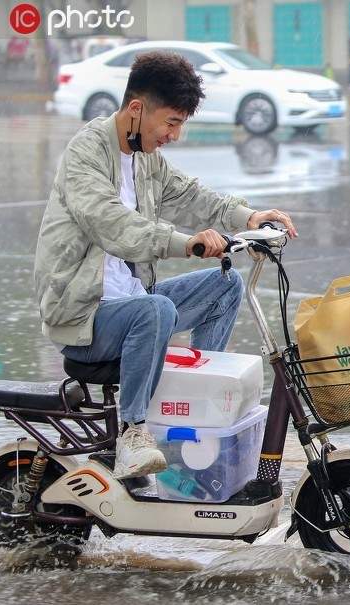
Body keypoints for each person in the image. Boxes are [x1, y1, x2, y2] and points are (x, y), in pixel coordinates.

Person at [33, 52, 298, 479]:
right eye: (171, 123)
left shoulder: (144, 158)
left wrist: (248, 218)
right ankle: (133, 433)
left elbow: (190, 195)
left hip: (131, 303)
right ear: (136, 109)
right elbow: (113, 224)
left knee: (225, 285)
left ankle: (201, 408)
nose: (175, 134)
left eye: (180, 124)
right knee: (155, 310)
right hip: (84, 316)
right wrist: (186, 243)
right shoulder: (86, 153)